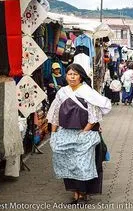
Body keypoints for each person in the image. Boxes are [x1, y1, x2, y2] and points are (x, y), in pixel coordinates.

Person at [47, 63, 111, 204]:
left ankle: (83, 193)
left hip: (84, 134)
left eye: (75, 74)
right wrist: (54, 134)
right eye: (70, 74)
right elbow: (54, 114)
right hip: (65, 133)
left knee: (82, 165)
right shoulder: (62, 92)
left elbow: (93, 116)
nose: (72, 77)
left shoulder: (88, 92)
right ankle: (75, 193)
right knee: (68, 163)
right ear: (66, 76)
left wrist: (84, 132)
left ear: (81, 77)